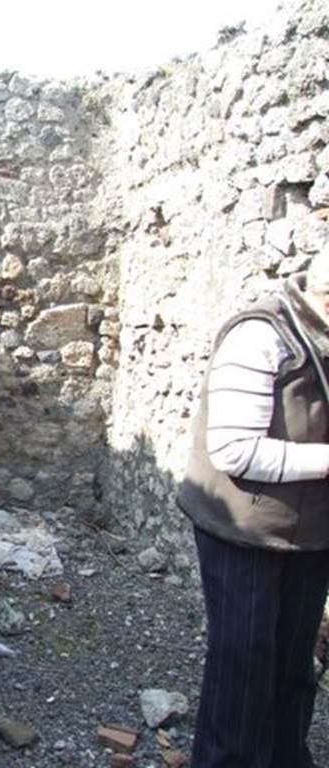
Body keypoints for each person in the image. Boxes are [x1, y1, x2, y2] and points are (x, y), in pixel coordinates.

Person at [177, 248, 329, 767]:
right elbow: (233, 449)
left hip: (312, 530)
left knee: (292, 662)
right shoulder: (261, 335)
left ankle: (287, 758)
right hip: (243, 527)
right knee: (244, 665)